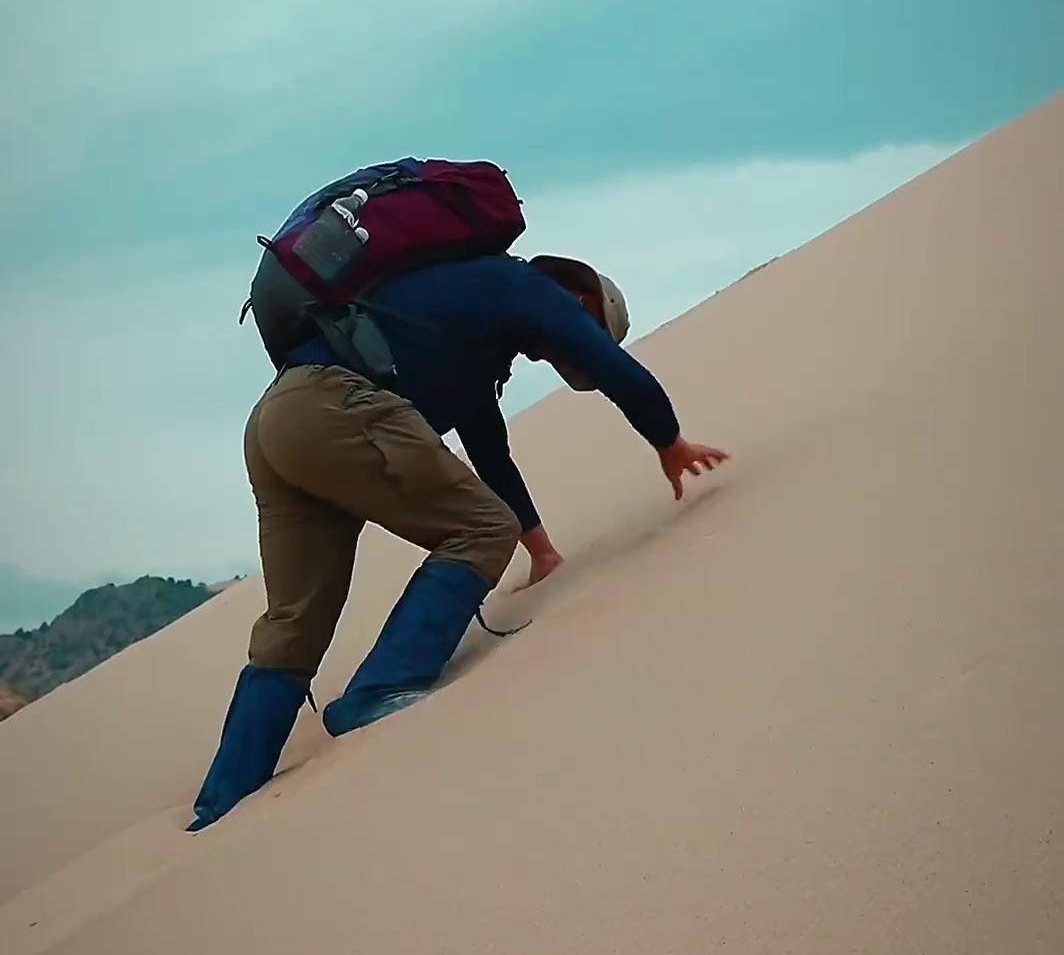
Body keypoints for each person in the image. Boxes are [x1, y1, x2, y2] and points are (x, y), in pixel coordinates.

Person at [188, 250, 729, 830]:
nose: (571, 348)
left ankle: (220, 803)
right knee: (483, 528)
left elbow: (488, 447)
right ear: (579, 299)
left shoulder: (467, 323)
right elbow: (609, 366)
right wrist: (668, 439)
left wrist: (540, 550)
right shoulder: (522, 285)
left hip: (277, 419)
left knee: (296, 621)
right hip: (336, 405)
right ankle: (381, 689)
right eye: (589, 324)